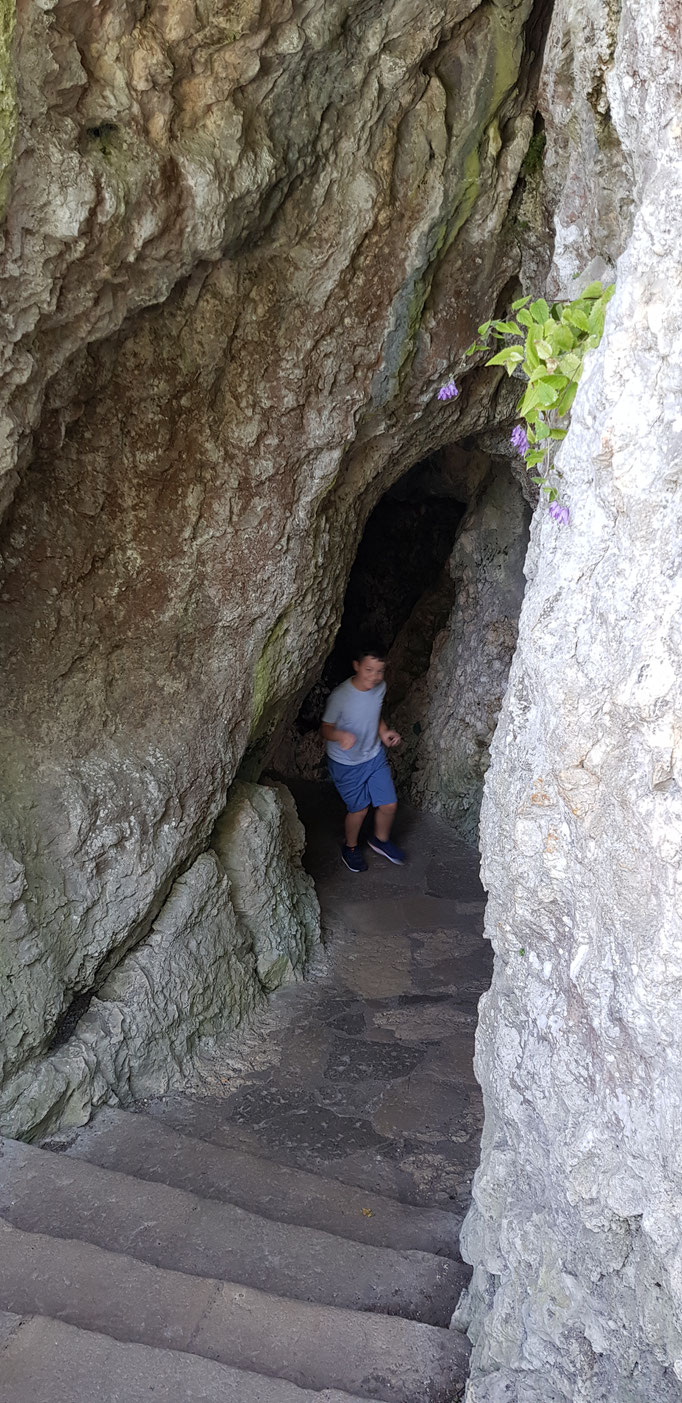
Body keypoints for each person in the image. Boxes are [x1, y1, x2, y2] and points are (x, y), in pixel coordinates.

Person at [321, 641, 405, 872]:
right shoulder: (341, 696)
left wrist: (384, 731)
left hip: (373, 755)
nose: (375, 676)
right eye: (369, 670)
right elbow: (325, 727)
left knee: (389, 804)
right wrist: (340, 735)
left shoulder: (380, 687)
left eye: (380, 671)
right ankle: (350, 847)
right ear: (357, 666)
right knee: (359, 809)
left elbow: (375, 714)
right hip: (346, 763)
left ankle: (380, 840)